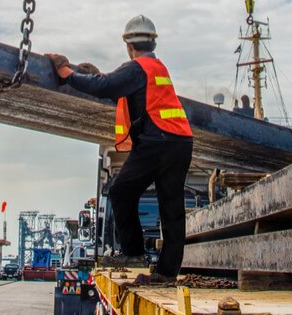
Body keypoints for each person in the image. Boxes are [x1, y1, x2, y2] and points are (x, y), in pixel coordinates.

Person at [47, 15, 193, 286]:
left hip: (156, 142)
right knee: (171, 208)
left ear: (129, 45)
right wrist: (97, 76)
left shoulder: (138, 68)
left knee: (120, 191)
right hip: (180, 142)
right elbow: (121, 89)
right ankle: (167, 272)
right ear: (152, 42)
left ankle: (133, 252)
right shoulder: (157, 68)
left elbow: (106, 87)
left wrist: (67, 74)